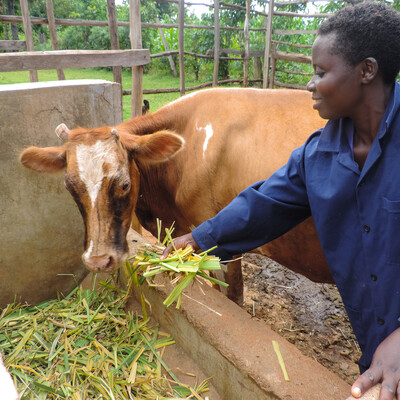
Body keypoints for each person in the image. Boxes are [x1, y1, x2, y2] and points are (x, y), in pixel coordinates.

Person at [161, 2, 400, 399]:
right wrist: (197, 241)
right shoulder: (318, 155)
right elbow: (264, 205)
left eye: (322, 72)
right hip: (377, 355)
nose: (310, 84)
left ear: (367, 71)